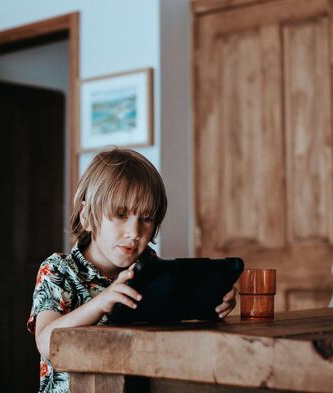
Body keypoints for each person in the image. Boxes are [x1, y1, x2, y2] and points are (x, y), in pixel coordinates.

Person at [27, 147, 237, 392]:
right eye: (120, 214)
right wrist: (100, 303)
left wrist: (209, 305)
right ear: (86, 216)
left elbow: (168, 326)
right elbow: (45, 341)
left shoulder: (149, 269)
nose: (134, 232)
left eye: (146, 219)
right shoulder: (59, 270)